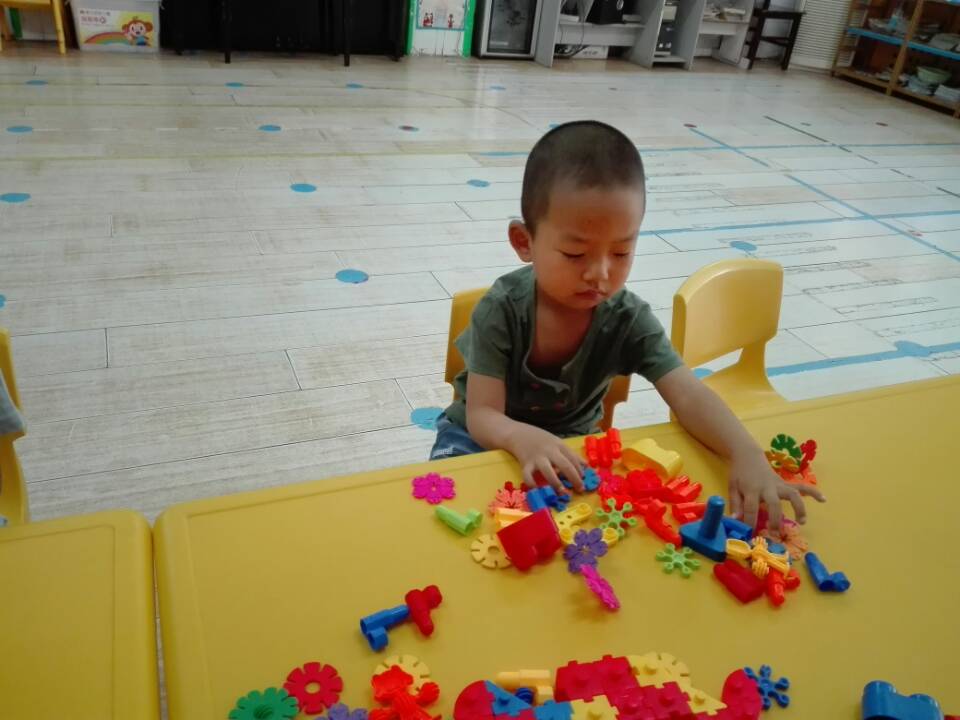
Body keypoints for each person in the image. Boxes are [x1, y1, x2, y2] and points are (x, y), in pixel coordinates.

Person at [430, 120, 824, 531]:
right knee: (449, 518)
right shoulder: (501, 310)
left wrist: (746, 454)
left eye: (621, 252)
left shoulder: (628, 318)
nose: (600, 274)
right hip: (480, 439)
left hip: (572, 448)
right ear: (524, 241)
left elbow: (688, 394)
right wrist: (521, 438)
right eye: (575, 254)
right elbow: (482, 414)